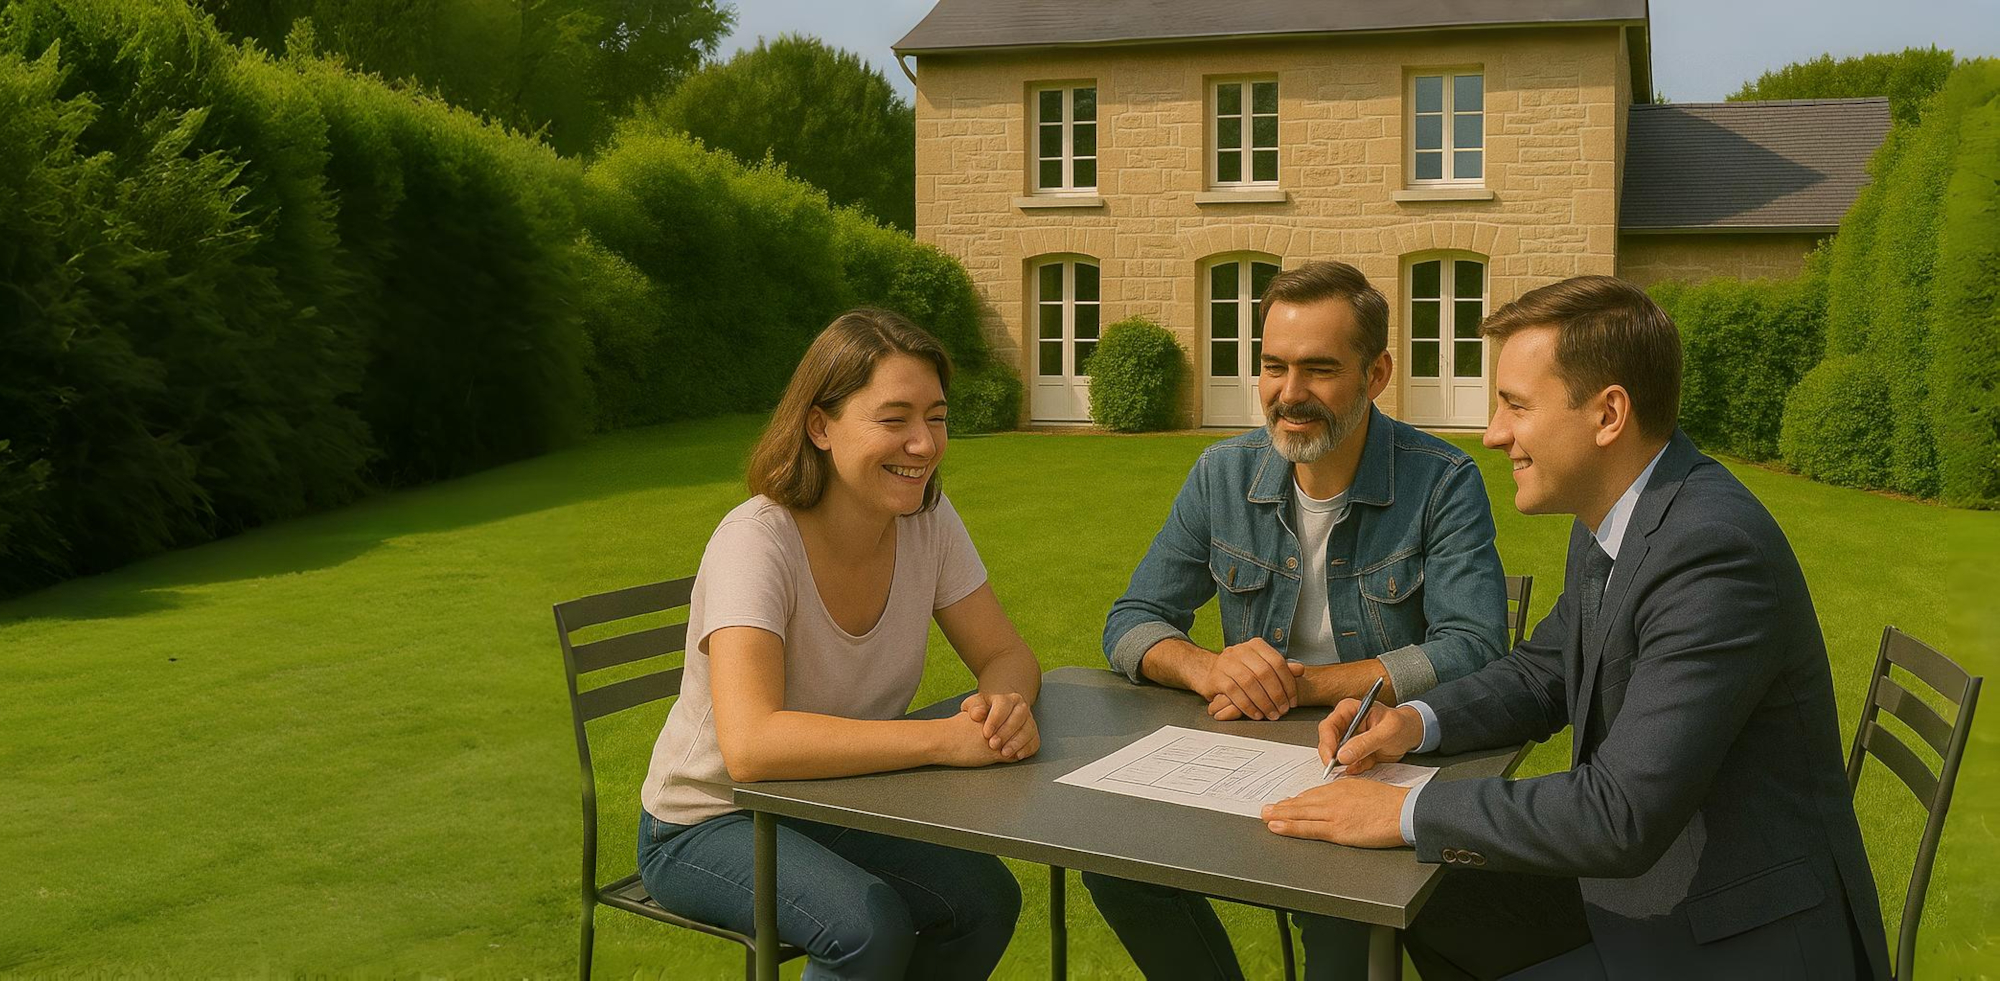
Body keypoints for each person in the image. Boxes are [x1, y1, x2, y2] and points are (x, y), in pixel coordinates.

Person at [1262, 276, 1891, 979]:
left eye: (1515, 406)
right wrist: (1410, 720)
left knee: (1430, 880)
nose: (1494, 433)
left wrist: (1403, 808)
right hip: (1652, 886)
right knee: (1439, 909)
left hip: (1730, 936)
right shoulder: (1617, 516)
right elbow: (1542, 672)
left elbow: (1618, 813)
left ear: (1608, 414)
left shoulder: (1713, 554)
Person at [1089, 260, 1511, 979]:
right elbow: (1131, 619)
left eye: (1318, 369)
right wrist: (1207, 665)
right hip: (1235, 758)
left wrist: (1304, 684)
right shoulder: (1220, 474)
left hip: (1367, 760)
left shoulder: (1442, 480)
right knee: (1114, 858)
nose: (1290, 393)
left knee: (1337, 915)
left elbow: (1475, 647)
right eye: (1273, 366)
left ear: (1375, 374)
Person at [635, 309, 1041, 980]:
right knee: (864, 924)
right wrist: (944, 740)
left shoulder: (929, 519)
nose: (923, 443)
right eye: (894, 418)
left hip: (834, 798)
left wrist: (1002, 708)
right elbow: (752, 745)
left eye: (936, 417)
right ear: (820, 425)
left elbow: (1008, 654)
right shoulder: (756, 541)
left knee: (984, 898)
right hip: (708, 819)